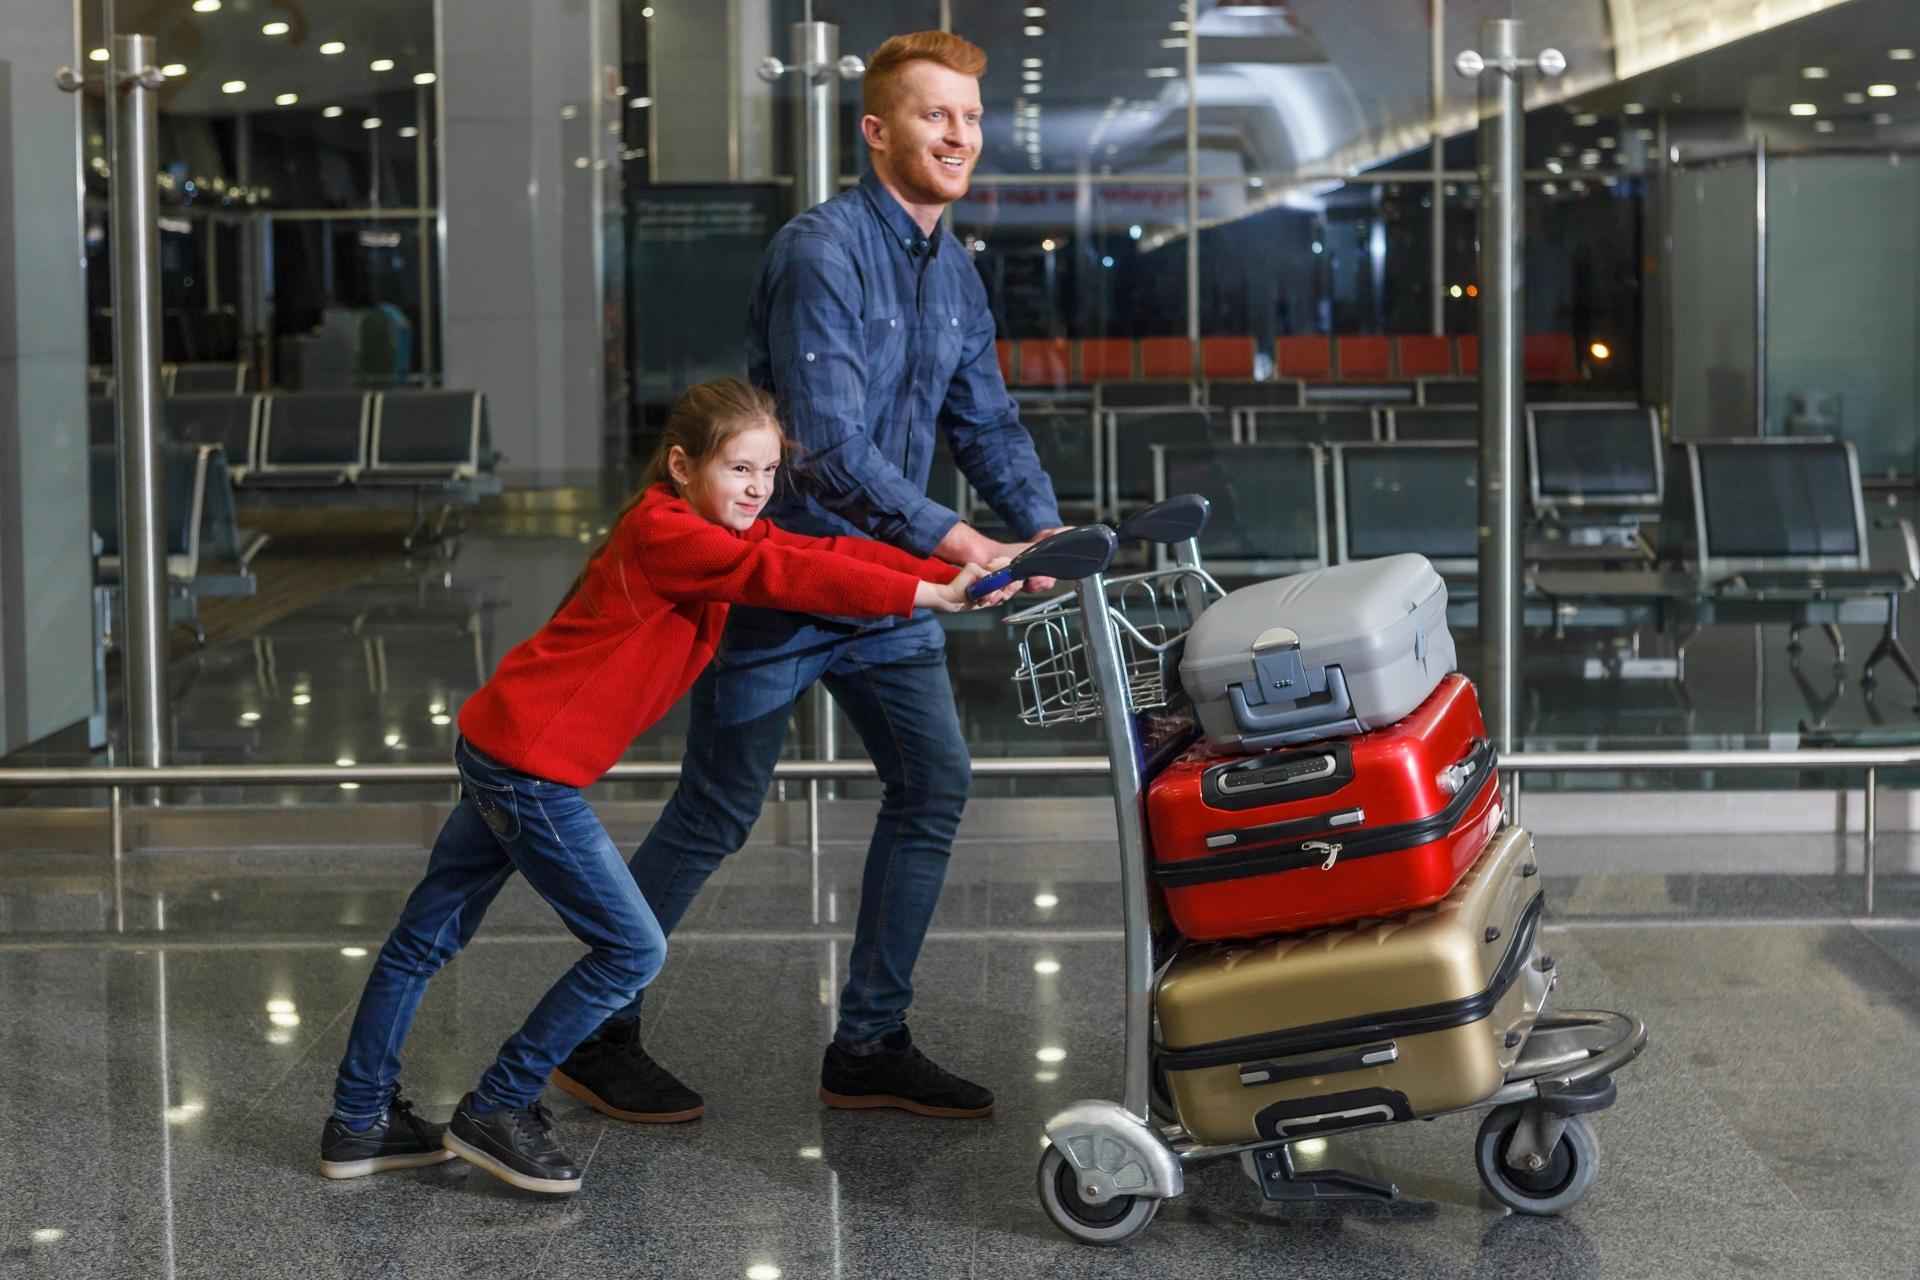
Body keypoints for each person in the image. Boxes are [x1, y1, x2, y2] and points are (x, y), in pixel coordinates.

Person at [319, 378, 1013, 1195]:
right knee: (632, 948)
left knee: (425, 937)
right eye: (737, 470)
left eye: (768, 471)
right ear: (682, 466)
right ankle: (500, 1103)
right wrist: (929, 591)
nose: (757, 489)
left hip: (501, 742)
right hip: (530, 769)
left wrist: (964, 559)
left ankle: (359, 1120)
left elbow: (823, 552)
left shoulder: (694, 525)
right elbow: (789, 575)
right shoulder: (671, 534)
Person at [552, 30, 1063, 1126]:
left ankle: (870, 1043)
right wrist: (959, 541)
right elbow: (824, 446)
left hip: (882, 589)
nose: (960, 135)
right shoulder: (820, 252)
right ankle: (593, 1031)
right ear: (877, 129)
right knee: (715, 812)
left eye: (971, 117)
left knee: (933, 783)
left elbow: (985, 418)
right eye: (936, 115)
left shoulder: (957, 271)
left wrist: (1046, 530)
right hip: (783, 580)